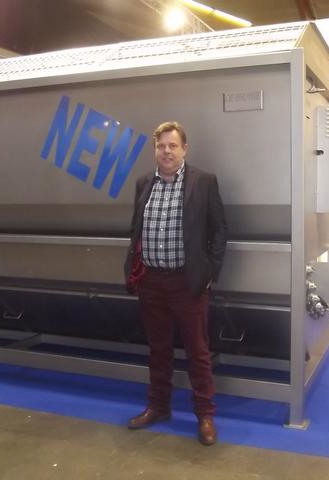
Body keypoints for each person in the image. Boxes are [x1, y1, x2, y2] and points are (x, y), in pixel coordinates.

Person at [123, 121, 227, 446]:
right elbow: (136, 228)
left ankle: (205, 415)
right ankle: (158, 407)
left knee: (198, 351)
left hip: (188, 283)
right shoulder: (144, 183)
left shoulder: (203, 182)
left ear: (184, 149)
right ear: (154, 149)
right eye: (161, 146)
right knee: (158, 349)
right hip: (151, 282)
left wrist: (209, 272)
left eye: (172, 146)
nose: (166, 151)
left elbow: (219, 230)